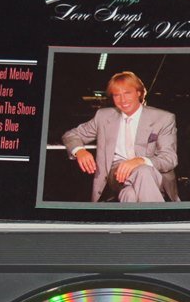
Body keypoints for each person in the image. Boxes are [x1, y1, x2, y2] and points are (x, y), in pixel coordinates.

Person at [63, 71, 178, 203]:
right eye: (117, 95)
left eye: (127, 93)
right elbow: (71, 135)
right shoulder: (103, 116)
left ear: (139, 93)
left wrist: (140, 161)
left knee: (130, 193)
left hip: (154, 176)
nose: (122, 100)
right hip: (117, 175)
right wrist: (79, 151)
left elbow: (169, 159)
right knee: (142, 173)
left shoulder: (163, 118)